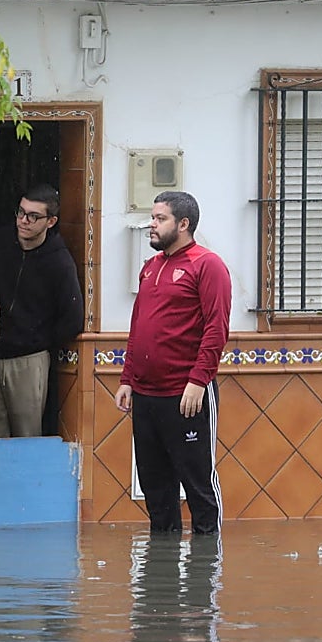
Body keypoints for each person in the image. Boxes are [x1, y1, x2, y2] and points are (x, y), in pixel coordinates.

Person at [114, 190, 231, 534]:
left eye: (159, 218)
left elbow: (216, 329)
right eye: (152, 217)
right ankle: (161, 582)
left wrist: (198, 381)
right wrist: (127, 379)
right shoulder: (151, 268)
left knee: (198, 486)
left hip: (186, 396)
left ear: (183, 224)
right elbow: (138, 327)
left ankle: (205, 574)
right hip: (146, 397)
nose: (151, 224)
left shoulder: (207, 265)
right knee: (156, 492)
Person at [0, 183, 84, 438]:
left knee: (28, 433)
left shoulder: (59, 260)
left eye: (33, 216)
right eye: (21, 212)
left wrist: (37, 339)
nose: (23, 221)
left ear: (51, 221)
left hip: (29, 359)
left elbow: (72, 317)